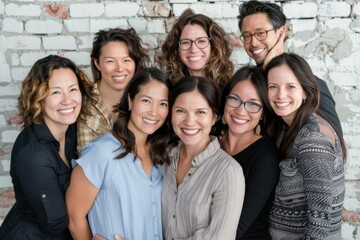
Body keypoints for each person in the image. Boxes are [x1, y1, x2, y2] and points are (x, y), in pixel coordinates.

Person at [66, 68, 172, 240]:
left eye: (163, 104)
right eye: (146, 100)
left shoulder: (161, 154)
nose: (154, 111)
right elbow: (74, 217)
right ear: (130, 100)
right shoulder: (102, 152)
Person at [0, 55, 94, 239]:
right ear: (38, 98)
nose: (68, 100)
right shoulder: (34, 155)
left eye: (73, 89)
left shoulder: (71, 129)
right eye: (55, 92)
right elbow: (56, 224)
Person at [265, 53, 346, 239]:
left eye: (290, 87)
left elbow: (320, 222)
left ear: (305, 92)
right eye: (273, 87)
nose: (280, 95)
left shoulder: (313, 138)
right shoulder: (286, 128)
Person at [237, 0, 343, 135]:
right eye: (246, 36)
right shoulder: (252, 82)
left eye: (261, 33)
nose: (253, 42)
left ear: (281, 32)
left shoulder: (309, 83)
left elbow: (334, 142)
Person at [162, 76, 245, 239]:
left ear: (214, 117)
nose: (189, 121)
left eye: (200, 112)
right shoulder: (164, 158)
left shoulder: (228, 172)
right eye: (180, 111)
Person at [219, 66, 279, 239]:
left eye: (253, 104)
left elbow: (235, 228)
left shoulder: (266, 157)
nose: (240, 110)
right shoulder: (211, 143)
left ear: (262, 113)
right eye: (234, 99)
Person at [77, 27, 150, 155]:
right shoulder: (79, 100)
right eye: (110, 61)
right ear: (97, 63)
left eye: (126, 60)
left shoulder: (144, 105)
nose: (119, 68)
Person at [159, 8, 233, 91]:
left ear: (213, 46)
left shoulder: (231, 89)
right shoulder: (167, 90)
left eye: (201, 41)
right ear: (177, 49)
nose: (193, 50)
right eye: (185, 42)